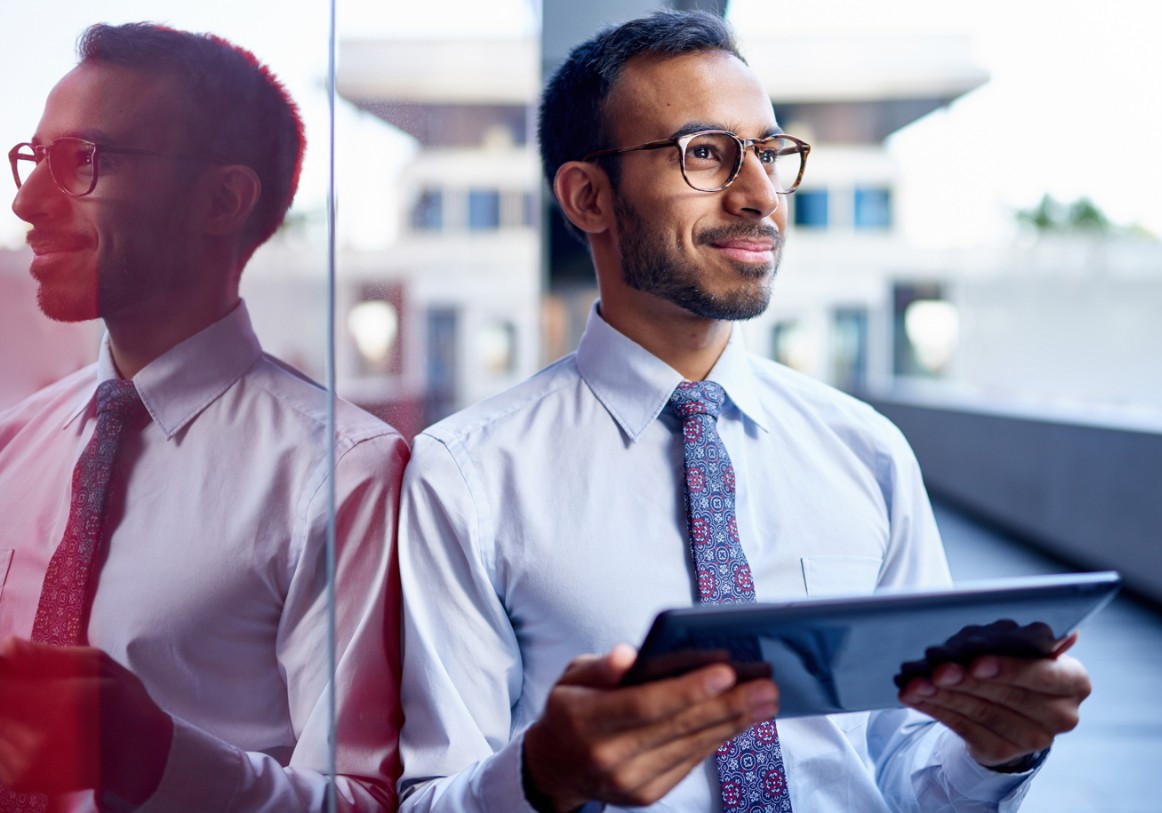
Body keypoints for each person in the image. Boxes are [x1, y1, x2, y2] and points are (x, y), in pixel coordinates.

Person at [397, 10, 1091, 813]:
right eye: (705, 153)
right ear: (589, 197)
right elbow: (430, 798)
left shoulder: (866, 451)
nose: (761, 195)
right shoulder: (466, 477)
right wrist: (542, 774)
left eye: (768, 152)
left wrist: (995, 752)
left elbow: (911, 777)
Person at [0, 23, 404, 811]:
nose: (27, 202)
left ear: (222, 199)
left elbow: (366, 799)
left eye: (81, 161)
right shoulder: (15, 445)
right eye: (33, 159)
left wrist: (155, 757)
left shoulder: (346, 474)